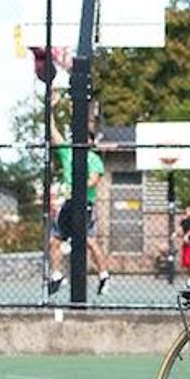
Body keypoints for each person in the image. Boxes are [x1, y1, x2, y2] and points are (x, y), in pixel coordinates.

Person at [47, 95, 111, 296]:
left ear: (90, 142)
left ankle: (104, 275)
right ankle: (57, 275)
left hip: (84, 204)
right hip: (68, 204)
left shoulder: (94, 160)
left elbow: (92, 180)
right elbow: (52, 131)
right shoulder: (67, 152)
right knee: (54, 241)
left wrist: (77, 187)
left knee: (90, 242)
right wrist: (50, 108)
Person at [175, 205, 190, 288]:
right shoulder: (185, 221)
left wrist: (187, 236)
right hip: (185, 244)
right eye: (186, 211)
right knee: (186, 262)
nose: (187, 212)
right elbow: (181, 230)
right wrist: (176, 233)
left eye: (188, 211)